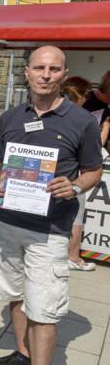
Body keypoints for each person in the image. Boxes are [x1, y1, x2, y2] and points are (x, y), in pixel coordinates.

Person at [0, 46, 102, 365]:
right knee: (16, 294)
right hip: (9, 223)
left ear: (64, 75)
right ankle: (23, 353)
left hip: (50, 231)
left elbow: (93, 171)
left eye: (53, 69)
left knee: (44, 307)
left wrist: (76, 187)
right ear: (28, 72)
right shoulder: (11, 116)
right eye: (39, 68)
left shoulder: (82, 121)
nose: (45, 75)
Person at [62, 77, 106, 272]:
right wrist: (106, 129)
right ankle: (73, 257)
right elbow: (96, 146)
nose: (88, 99)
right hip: (76, 173)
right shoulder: (81, 117)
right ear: (78, 95)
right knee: (76, 215)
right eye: (87, 95)